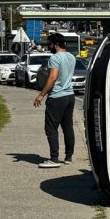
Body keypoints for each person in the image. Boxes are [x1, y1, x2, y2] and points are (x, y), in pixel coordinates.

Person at [33, 33, 76, 168]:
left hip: (57, 97)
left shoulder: (55, 58)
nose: (49, 47)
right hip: (70, 96)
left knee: (51, 128)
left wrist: (41, 95)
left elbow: (52, 78)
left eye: (50, 44)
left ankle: (54, 158)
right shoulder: (71, 57)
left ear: (56, 44)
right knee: (67, 127)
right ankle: (68, 156)